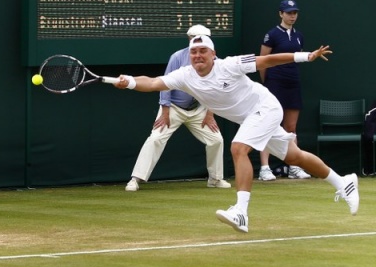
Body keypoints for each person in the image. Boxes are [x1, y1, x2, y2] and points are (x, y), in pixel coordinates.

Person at [114, 35, 359, 233]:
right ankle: (343, 182)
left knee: (238, 148)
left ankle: (241, 212)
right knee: (294, 157)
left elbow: (268, 60)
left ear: (213, 54)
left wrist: (307, 56)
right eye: (194, 52)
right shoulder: (184, 75)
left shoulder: (229, 65)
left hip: (265, 107)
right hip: (251, 117)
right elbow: (154, 83)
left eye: (203, 51)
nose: (198, 55)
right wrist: (130, 82)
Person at [125, 25, 231, 191]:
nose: (198, 42)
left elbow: (216, 90)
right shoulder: (177, 57)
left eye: (203, 39)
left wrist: (210, 113)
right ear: (189, 38)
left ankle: (215, 179)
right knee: (156, 138)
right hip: (173, 107)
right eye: (195, 38)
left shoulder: (216, 62)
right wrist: (165, 111)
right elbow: (164, 83)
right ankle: (136, 179)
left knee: (216, 140)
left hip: (199, 109)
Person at [258, 0, 311, 181]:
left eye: (294, 12)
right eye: (288, 13)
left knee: (291, 127)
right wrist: (267, 83)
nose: (292, 16)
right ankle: (265, 168)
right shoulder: (272, 35)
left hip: (293, 83)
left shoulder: (299, 36)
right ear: (281, 14)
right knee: (269, 124)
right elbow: (262, 61)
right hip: (275, 83)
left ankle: (293, 167)